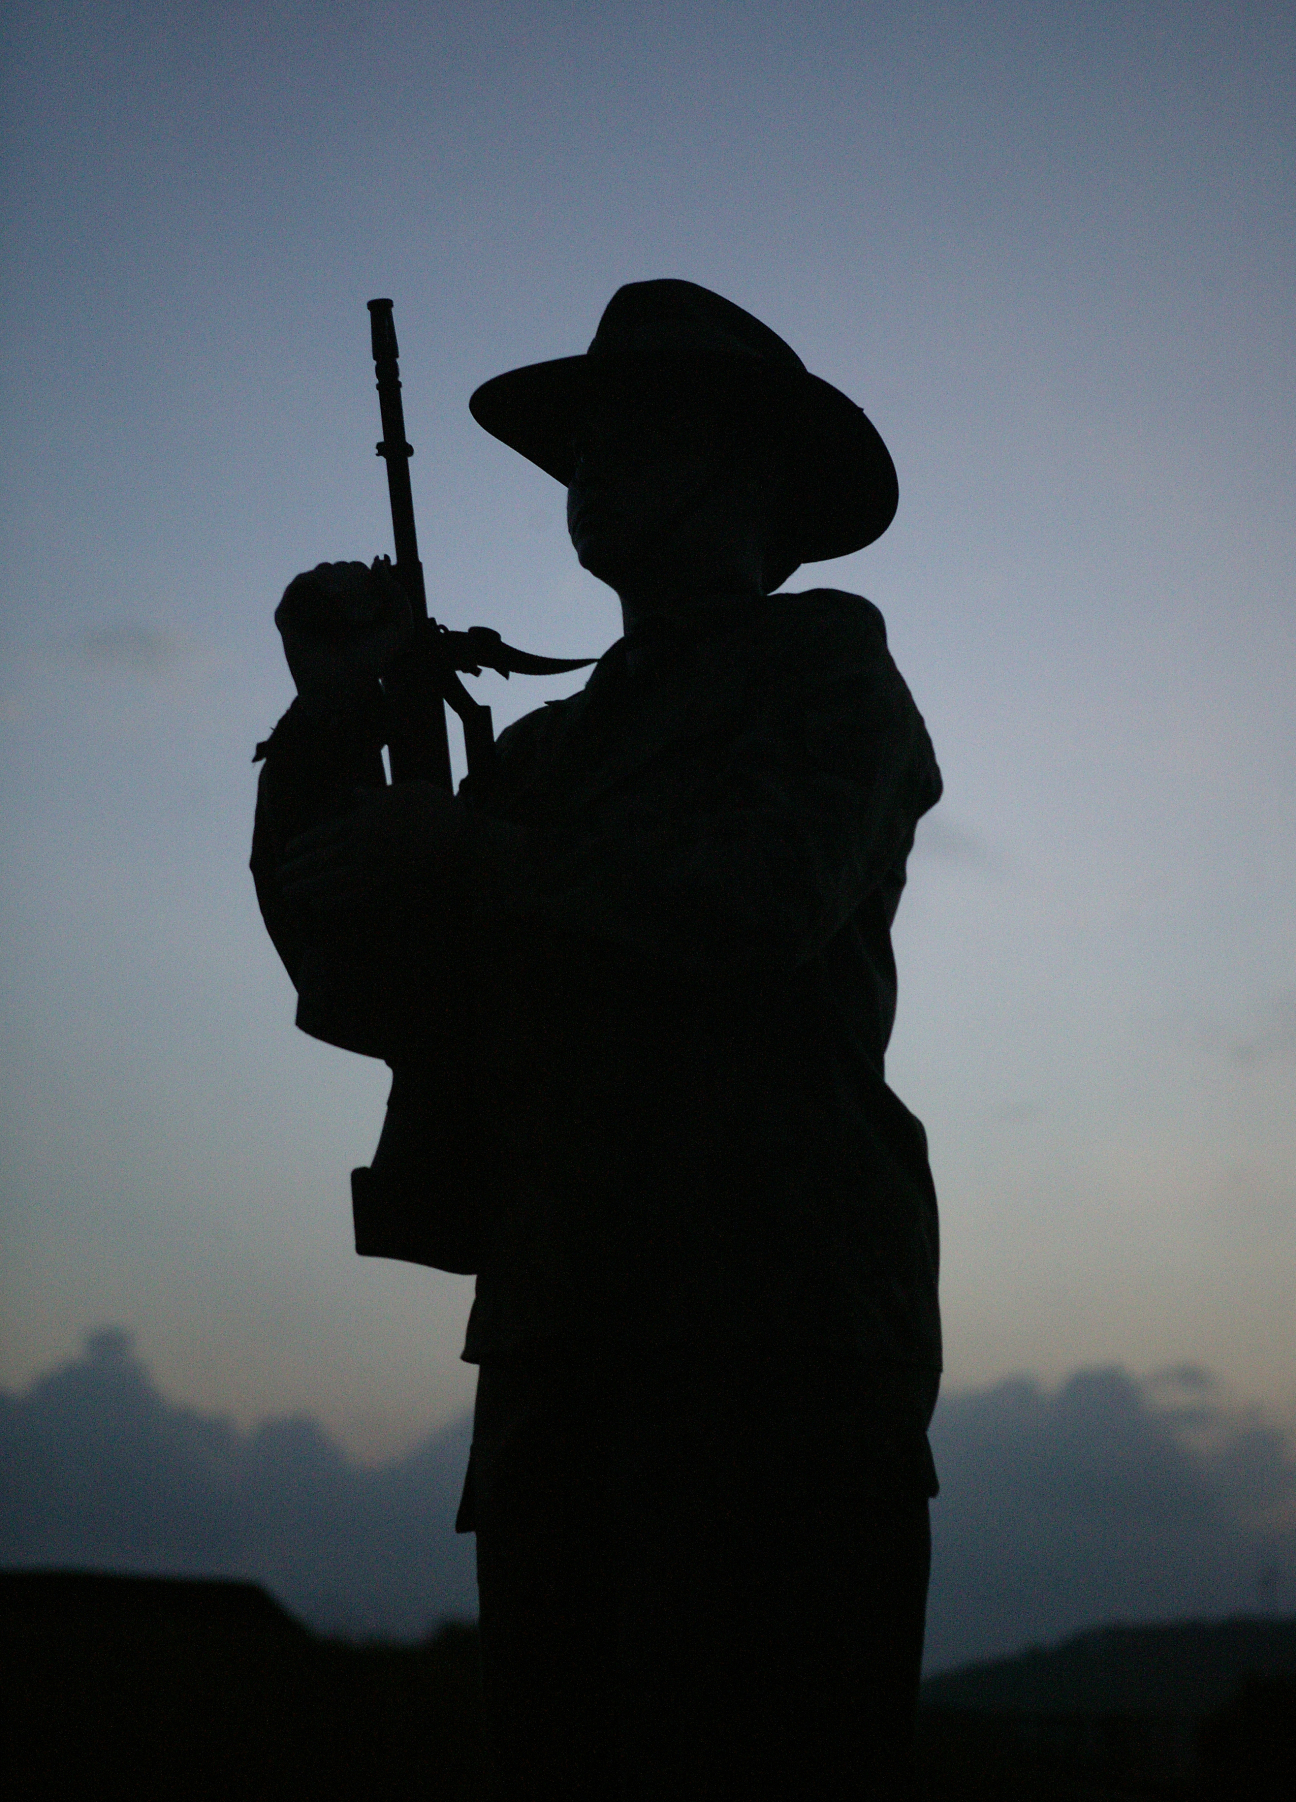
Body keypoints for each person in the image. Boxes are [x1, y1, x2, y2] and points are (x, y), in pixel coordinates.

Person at [250, 279, 944, 1799]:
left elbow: (760, 899)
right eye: (592, 442)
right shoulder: (548, 753)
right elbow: (371, 991)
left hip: (777, 1341)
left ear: (749, 476)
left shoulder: (826, 665)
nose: (598, 470)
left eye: (646, 433)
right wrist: (326, 732)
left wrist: (462, 854)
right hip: (565, 1345)